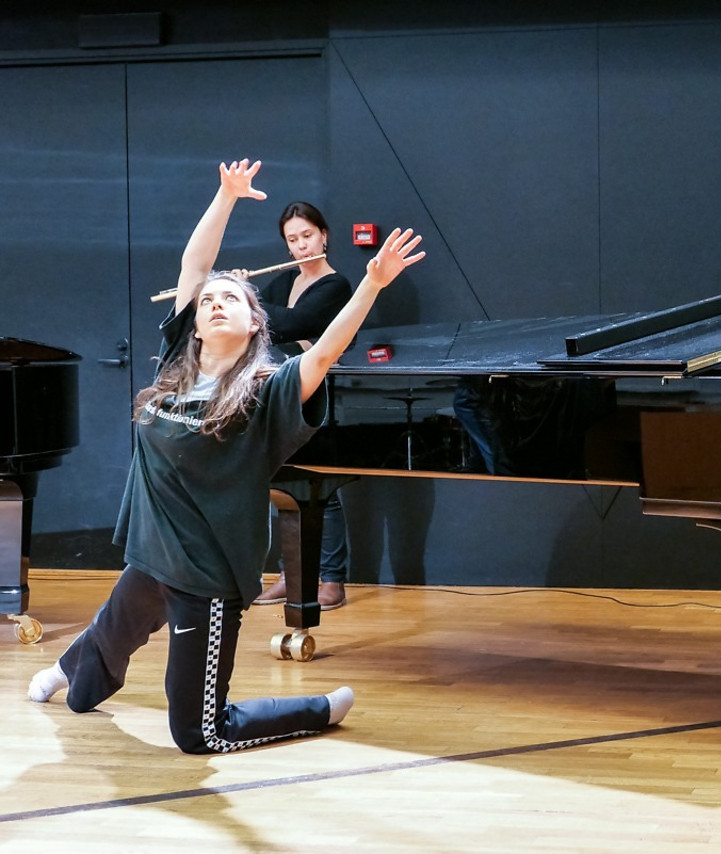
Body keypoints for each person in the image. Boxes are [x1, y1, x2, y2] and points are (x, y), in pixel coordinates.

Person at [26, 158, 425, 754]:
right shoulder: (175, 366)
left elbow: (323, 354)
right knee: (87, 687)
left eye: (230, 298)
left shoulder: (267, 390)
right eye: (208, 300)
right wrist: (226, 196)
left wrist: (372, 283)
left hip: (205, 576)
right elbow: (195, 266)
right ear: (194, 323)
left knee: (199, 734)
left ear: (255, 323)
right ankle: (72, 668)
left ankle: (318, 709)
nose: (214, 302)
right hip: (150, 556)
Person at [252, 201, 353, 610]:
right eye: (292, 240)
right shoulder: (283, 283)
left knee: (321, 488)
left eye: (307, 236)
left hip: (321, 393)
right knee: (286, 486)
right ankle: (291, 575)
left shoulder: (336, 286)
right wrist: (244, 299)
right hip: (282, 393)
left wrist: (246, 298)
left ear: (323, 235)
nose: (300, 246)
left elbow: (295, 324)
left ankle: (332, 579)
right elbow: (261, 328)